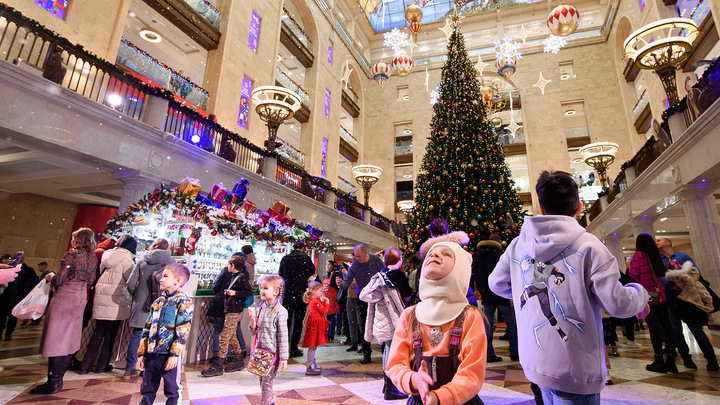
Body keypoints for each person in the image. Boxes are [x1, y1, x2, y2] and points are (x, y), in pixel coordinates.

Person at [490, 171, 649, 404]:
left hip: (536, 363)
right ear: (579, 207)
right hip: (576, 370)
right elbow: (619, 305)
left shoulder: (517, 245)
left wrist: (521, 292)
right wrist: (640, 293)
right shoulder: (590, 246)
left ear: (541, 207)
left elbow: (496, 283)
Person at [387, 232, 487, 405]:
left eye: (447, 254)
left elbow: (472, 374)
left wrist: (440, 397)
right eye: (432, 253)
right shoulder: (410, 315)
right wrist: (412, 379)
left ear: (460, 269)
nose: (435, 255)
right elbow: (395, 364)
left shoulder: (470, 316)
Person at [30, 228, 99, 395]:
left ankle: (53, 381)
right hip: (80, 297)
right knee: (69, 338)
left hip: (65, 296)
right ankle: (58, 378)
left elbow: (58, 279)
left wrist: (50, 276)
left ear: (78, 240)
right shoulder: (93, 258)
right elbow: (91, 280)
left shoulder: (71, 255)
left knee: (57, 337)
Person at [656, 237, 719, 371]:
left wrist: (684, 283)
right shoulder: (659, 262)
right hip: (671, 299)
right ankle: (686, 358)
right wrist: (673, 285)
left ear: (668, 243)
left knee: (696, 329)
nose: (656, 242)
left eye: (658, 240)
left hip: (689, 298)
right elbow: (661, 277)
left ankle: (711, 359)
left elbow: (696, 272)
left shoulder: (682, 256)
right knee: (676, 330)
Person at [136, 264, 194, 405]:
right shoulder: (157, 302)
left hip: (168, 355)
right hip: (151, 353)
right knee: (147, 388)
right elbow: (147, 329)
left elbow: (182, 331)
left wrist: (174, 355)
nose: (160, 279)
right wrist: (141, 354)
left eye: (165, 276)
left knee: (172, 389)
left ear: (177, 280)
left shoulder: (184, 302)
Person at [80, 235, 137, 374]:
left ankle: (85, 365)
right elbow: (131, 281)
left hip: (101, 297)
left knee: (97, 332)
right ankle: (102, 365)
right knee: (110, 334)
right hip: (116, 299)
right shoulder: (128, 260)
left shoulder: (107, 254)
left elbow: (100, 272)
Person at [360, 246, 410, 400]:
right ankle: (391, 388)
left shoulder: (379, 276)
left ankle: (387, 385)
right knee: (393, 352)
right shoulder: (398, 275)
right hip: (394, 319)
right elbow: (407, 295)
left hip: (381, 319)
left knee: (387, 350)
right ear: (399, 260)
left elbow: (366, 296)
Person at [124, 238, 173, 379]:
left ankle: (130, 367)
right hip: (160, 302)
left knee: (137, 334)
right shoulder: (170, 262)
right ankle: (148, 367)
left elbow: (131, 283)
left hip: (141, 302)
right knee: (156, 335)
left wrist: (138, 295)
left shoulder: (142, 260)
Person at [628, 233, 677, 373]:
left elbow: (633, 275)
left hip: (648, 297)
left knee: (654, 329)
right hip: (661, 295)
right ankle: (671, 360)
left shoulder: (639, 256)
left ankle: (659, 360)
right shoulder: (656, 255)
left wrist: (631, 266)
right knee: (667, 328)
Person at [202, 255, 253, 377]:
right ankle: (238, 359)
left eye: (230, 264)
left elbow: (248, 292)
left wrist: (235, 293)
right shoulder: (236, 277)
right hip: (230, 310)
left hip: (234, 310)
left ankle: (218, 364)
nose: (228, 266)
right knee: (231, 336)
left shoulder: (240, 278)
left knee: (224, 337)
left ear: (233, 266)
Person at [472, 233, 518, 362]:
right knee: (511, 322)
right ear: (498, 242)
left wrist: (481, 290)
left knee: (488, 324)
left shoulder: (479, 255)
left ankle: (489, 353)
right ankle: (514, 352)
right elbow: (507, 273)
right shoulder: (499, 254)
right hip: (501, 292)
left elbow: (475, 274)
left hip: (486, 293)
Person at [337, 244, 385, 364]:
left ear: (365, 253)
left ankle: (384, 350)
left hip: (378, 296)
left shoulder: (376, 260)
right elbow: (347, 281)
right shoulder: (355, 264)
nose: (357, 259)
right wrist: (340, 284)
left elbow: (384, 275)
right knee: (365, 325)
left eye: (359, 256)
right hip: (363, 297)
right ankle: (366, 352)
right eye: (356, 256)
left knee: (381, 323)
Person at [248, 275, 289, 405]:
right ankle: (271, 400)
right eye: (261, 288)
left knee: (266, 383)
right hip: (260, 352)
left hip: (272, 355)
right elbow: (252, 331)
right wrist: (252, 321)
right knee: (263, 383)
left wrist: (284, 358)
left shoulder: (280, 312)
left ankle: (266, 402)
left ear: (276, 292)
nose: (262, 291)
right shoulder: (260, 308)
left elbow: (283, 336)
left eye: (266, 288)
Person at [278, 241, 315, 358]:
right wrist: (302, 276)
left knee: (286, 320)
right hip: (301, 293)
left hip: (287, 293)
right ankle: (294, 348)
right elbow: (312, 271)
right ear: (303, 248)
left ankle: (283, 347)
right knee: (298, 321)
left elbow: (280, 273)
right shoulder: (305, 258)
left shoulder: (285, 258)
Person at [0, 257, 38, 340]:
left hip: (17, 298)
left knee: (13, 317)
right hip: (4, 297)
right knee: (1, 316)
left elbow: (32, 283)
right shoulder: (8, 269)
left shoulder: (28, 270)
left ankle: (8, 333)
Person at [301, 281, 329, 375]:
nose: (321, 293)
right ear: (314, 291)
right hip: (315, 326)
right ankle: (310, 366)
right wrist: (327, 302)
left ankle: (312, 364)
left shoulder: (314, 301)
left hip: (315, 325)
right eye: (320, 291)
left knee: (314, 346)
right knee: (313, 346)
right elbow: (324, 310)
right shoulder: (315, 301)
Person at [322, 260, 341, 342]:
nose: (327, 266)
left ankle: (331, 333)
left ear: (332, 266)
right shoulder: (325, 275)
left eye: (329, 265)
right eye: (327, 264)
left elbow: (337, 287)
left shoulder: (335, 275)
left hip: (332, 297)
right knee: (327, 316)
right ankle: (327, 332)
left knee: (332, 316)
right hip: (326, 298)